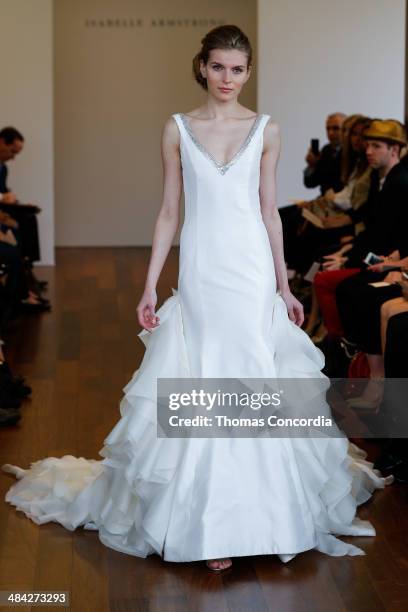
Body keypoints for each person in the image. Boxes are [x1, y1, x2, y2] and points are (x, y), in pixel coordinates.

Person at [2, 25, 392, 573]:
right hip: (205, 270)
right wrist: (148, 282)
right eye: (218, 67)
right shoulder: (178, 129)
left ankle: (267, 514)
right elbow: (169, 211)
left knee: (254, 373)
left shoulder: (267, 130)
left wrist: (282, 286)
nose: (227, 78)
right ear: (203, 67)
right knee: (207, 376)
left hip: (252, 269)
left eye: (237, 69)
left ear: (247, 73)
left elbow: (268, 213)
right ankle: (209, 521)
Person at [303, 112, 346, 195]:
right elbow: (310, 183)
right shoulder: (326, 150)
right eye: (328, 128)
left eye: (336, 128)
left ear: (346, 130)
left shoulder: (352, 152)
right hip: (325, 200)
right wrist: (311, 166)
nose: (330, 133)